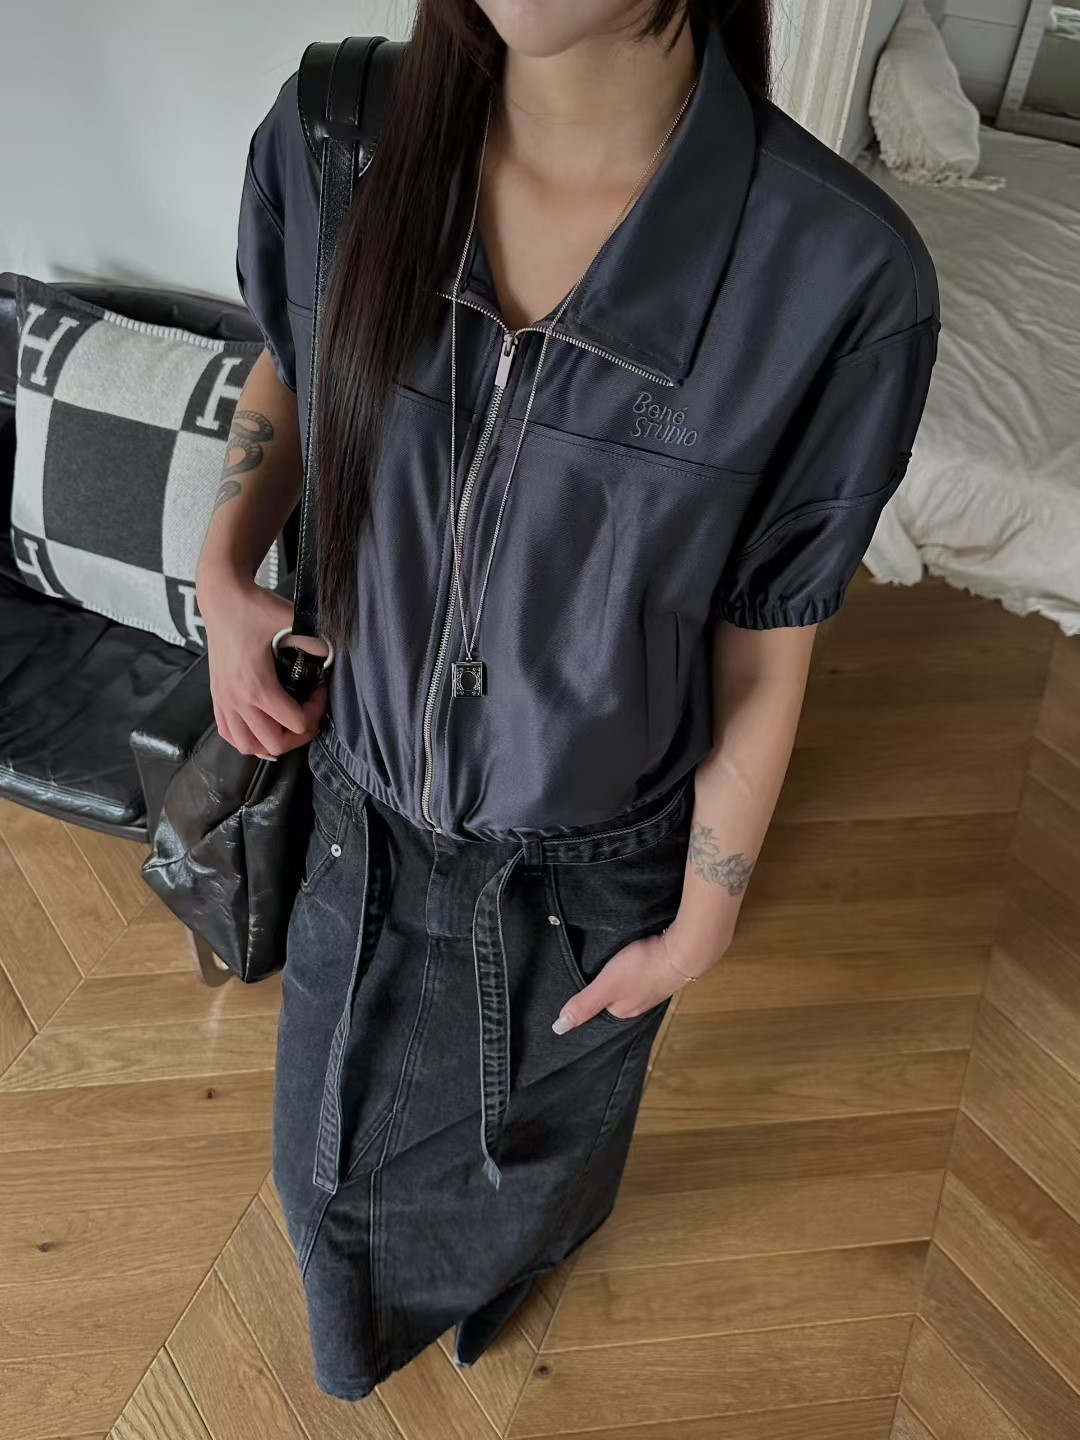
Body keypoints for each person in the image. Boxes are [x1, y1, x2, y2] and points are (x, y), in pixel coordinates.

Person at [197, 0, 939, 1403]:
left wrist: (705, 919)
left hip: (599, 870)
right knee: (327, 1185)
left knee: (554, 1149)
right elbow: (295, 352)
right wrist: (222, 563)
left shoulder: (837, 272)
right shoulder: (336, 136)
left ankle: (528, 1252)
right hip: (361, 816)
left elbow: (767, 635)